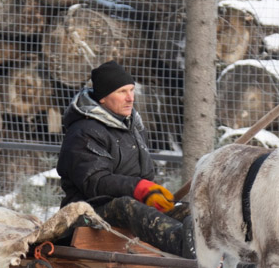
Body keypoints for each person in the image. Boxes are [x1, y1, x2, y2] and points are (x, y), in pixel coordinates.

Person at [57, 60, 191, 257]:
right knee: (126, 206)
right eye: (122, 92)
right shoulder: (83, 132)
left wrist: (152, 195)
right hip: (86, 214)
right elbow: (95, 181)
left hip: (130, 211)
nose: (130, 98)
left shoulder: (131, 128)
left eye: (132, 90)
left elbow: (144, 175)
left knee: (187, 212)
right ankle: (186, 245)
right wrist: (139, 188)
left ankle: (227, 249)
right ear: (103, 98)